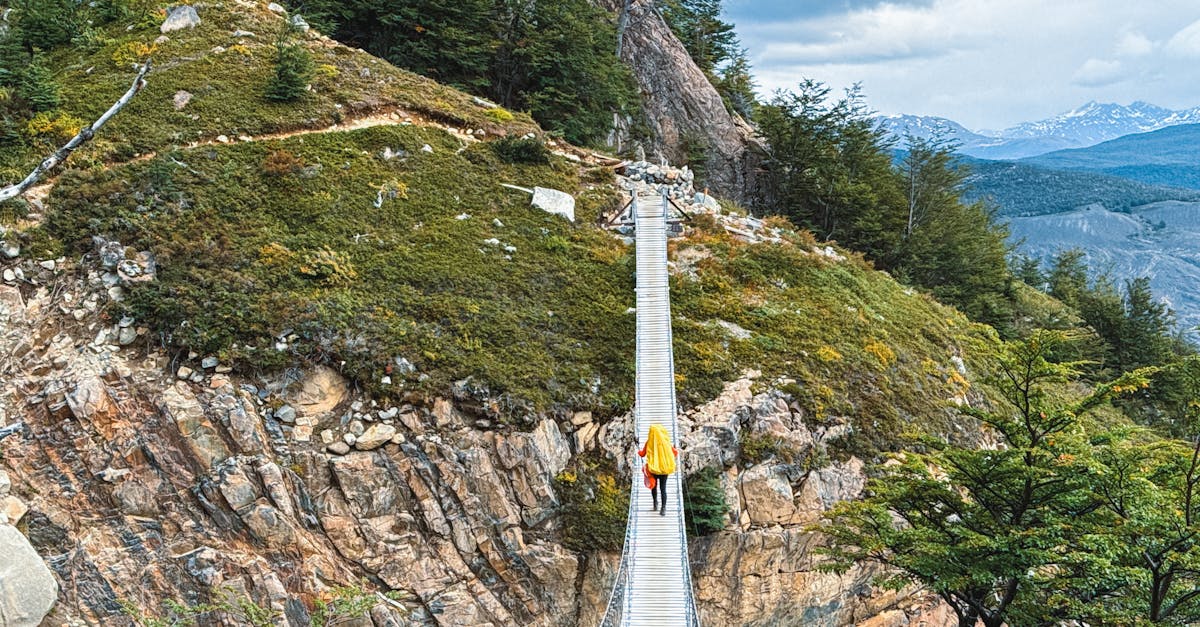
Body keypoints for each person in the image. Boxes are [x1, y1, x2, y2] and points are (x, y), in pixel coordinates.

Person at [638, 423, 678, 516]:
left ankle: (655, 503)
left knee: (654, 487)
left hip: (653, 469)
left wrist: (638, 450)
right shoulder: (665, 442)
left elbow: (642, 454)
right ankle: (663, 508)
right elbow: (675, 453)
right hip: (664, 469)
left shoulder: (649, 442)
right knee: (663, 488)